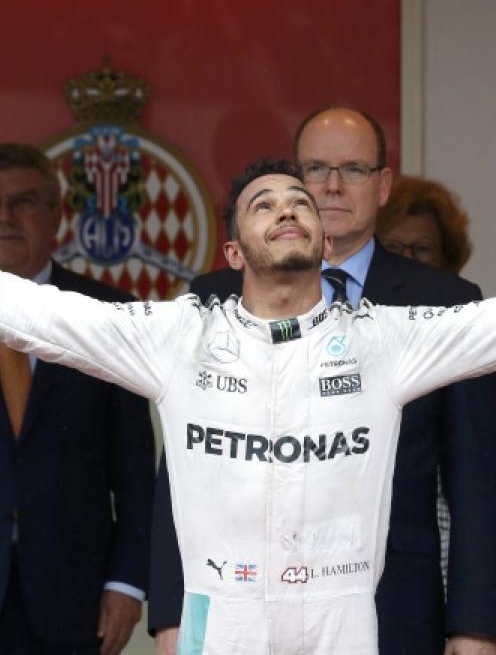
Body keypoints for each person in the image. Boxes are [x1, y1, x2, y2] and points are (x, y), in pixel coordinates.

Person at [1, 158, 496, 655]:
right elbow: (35, 314)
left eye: (301, 204)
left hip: (339, 629)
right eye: (264, 206)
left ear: (325, 245)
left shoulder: (382, 341)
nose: (286, 212)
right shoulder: (181, 337)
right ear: (233, 252)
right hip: (219, 626)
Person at [150, 109, 496, 655]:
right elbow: (185, 471)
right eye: (315, 168)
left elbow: (474, 479)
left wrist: (474, 626)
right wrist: (171, 610)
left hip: (392, 608)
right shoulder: (216, 293)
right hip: (238, 606)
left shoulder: (446, 301)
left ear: (383, 185)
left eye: (353, 169)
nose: (333, 186)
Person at [0, 143, 157, 655]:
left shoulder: (106, 313)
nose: (4, 218)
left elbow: (136, 473)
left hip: (75, 601)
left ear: (56, 217)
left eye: (22, 202)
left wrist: (127, 584)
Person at [376, 174, 475, 596]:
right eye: (395, 249)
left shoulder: (467, 330)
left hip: (444, 564)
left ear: (448, 260)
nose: (409, 261)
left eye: (423, 249)